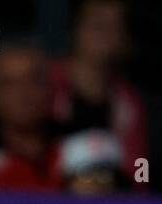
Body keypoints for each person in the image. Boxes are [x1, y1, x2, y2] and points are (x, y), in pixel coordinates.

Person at [46, 0, 146, 181]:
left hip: (110, 203)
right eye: (98, 24)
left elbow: (138, 173)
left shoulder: (129, 101)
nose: (105, 34)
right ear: (74, 29)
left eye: (115, 26)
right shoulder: (44, 82)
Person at [0, 40, 63, 191]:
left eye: (33, 80)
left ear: (50, 87)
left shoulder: (75, 149)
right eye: (8, 83)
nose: (22, 92)